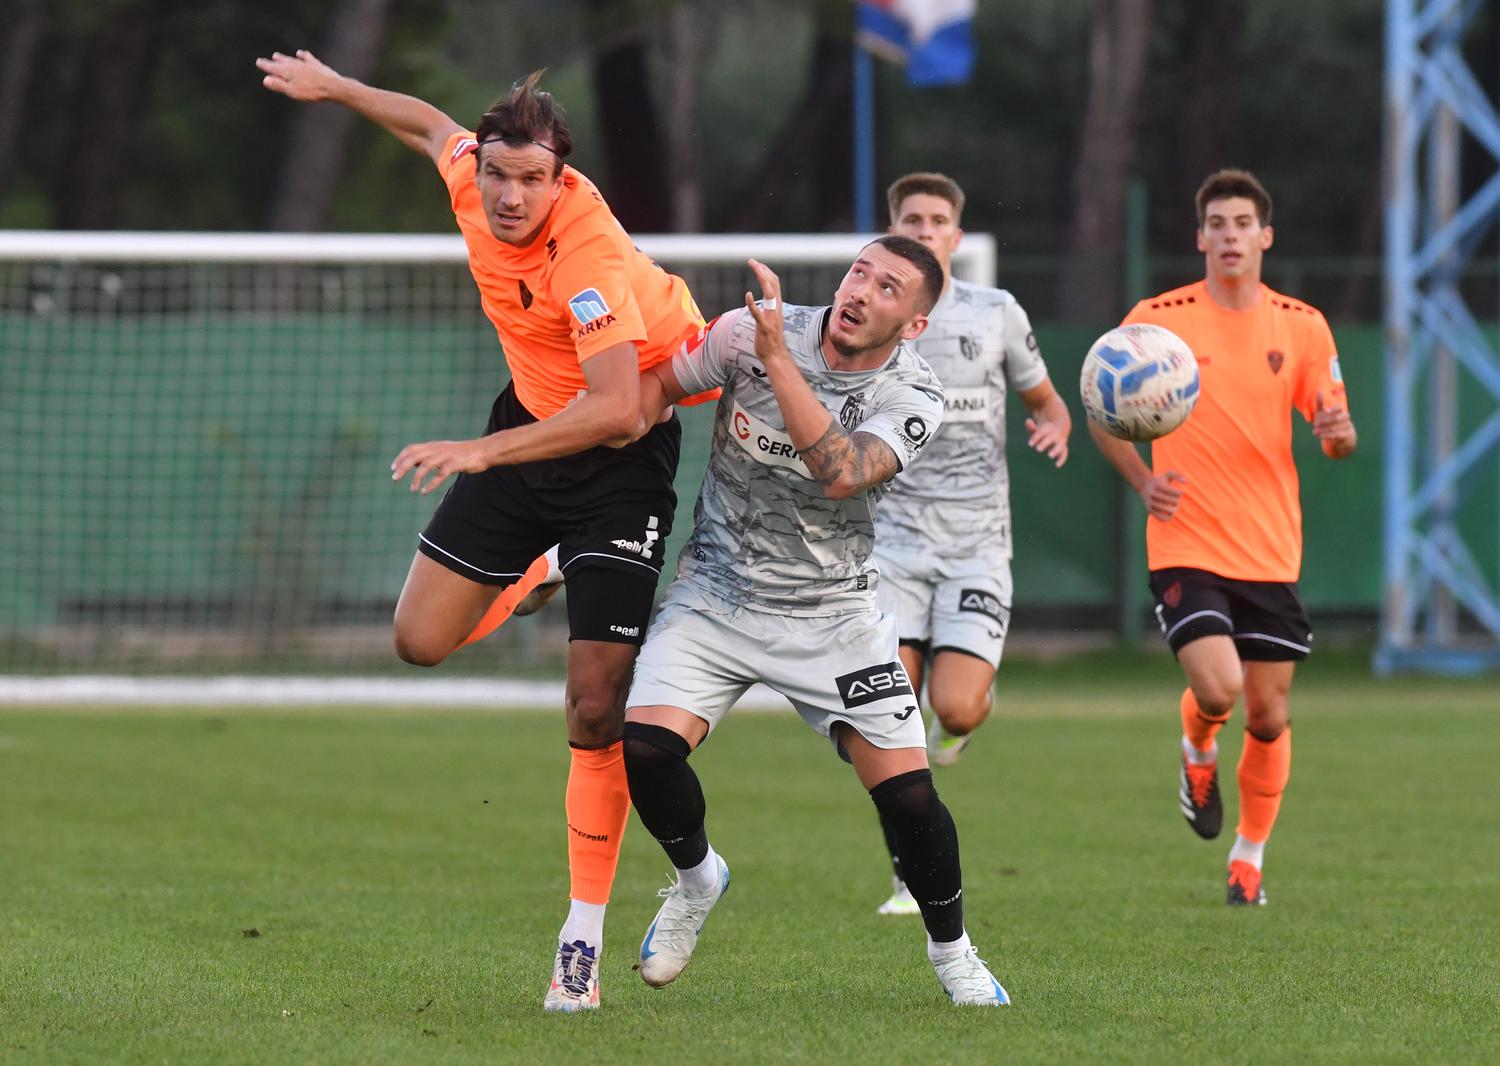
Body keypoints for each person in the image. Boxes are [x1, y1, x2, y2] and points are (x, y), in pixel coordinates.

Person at [256, 50, 714, 1010]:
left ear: (564, 176)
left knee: (596, 708)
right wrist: (337, 88)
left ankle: (580, 941)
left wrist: (479, 451)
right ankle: (547, 562)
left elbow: (620, 410)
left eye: (531, 179)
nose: (508, 195)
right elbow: (428, 122)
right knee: (418, 641)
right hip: (529, 432)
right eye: (498, 174)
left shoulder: (583, 254)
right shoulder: (474, 173)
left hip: (619, 456)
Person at [618, 238, 1010, 1005]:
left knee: (908, 799)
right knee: (645, 748)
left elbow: (840, 474)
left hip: (834, 615)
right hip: (715, 594)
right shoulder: (748, 331)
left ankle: (954, 955)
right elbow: (641, 399)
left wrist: (780, 365)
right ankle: (697, 882)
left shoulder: (915, 396)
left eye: (888, 287)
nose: (861, 290)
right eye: (860, 271)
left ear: (916, 323)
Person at [1086, 169, 1357, 906]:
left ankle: (1248, 859)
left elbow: (1335, 435)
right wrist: (1145, 483)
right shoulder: (1156, 318)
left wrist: (1339, 433)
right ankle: (1198, 745)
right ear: (1199, 237)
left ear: (1265, 236)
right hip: (1186, 540)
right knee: (1220, 686)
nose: (1230, 235)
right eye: (1218, 224)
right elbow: (1098, 410)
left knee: (1268, 715)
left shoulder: (1302, 325)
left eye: (1244, 223)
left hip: (1271, 550)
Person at [869, 172, 1074, 917]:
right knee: (886, 712)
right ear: (893, 229)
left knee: (954, 709)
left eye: (937, 220)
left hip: (977, 545)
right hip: (890, 543)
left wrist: (1053, 426)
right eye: (911, 219)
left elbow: (1046, 401)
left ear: (956, 235)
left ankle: (968, 698)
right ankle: (906, 875)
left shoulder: (995, 315)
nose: (925, 229)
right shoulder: (867, 315)